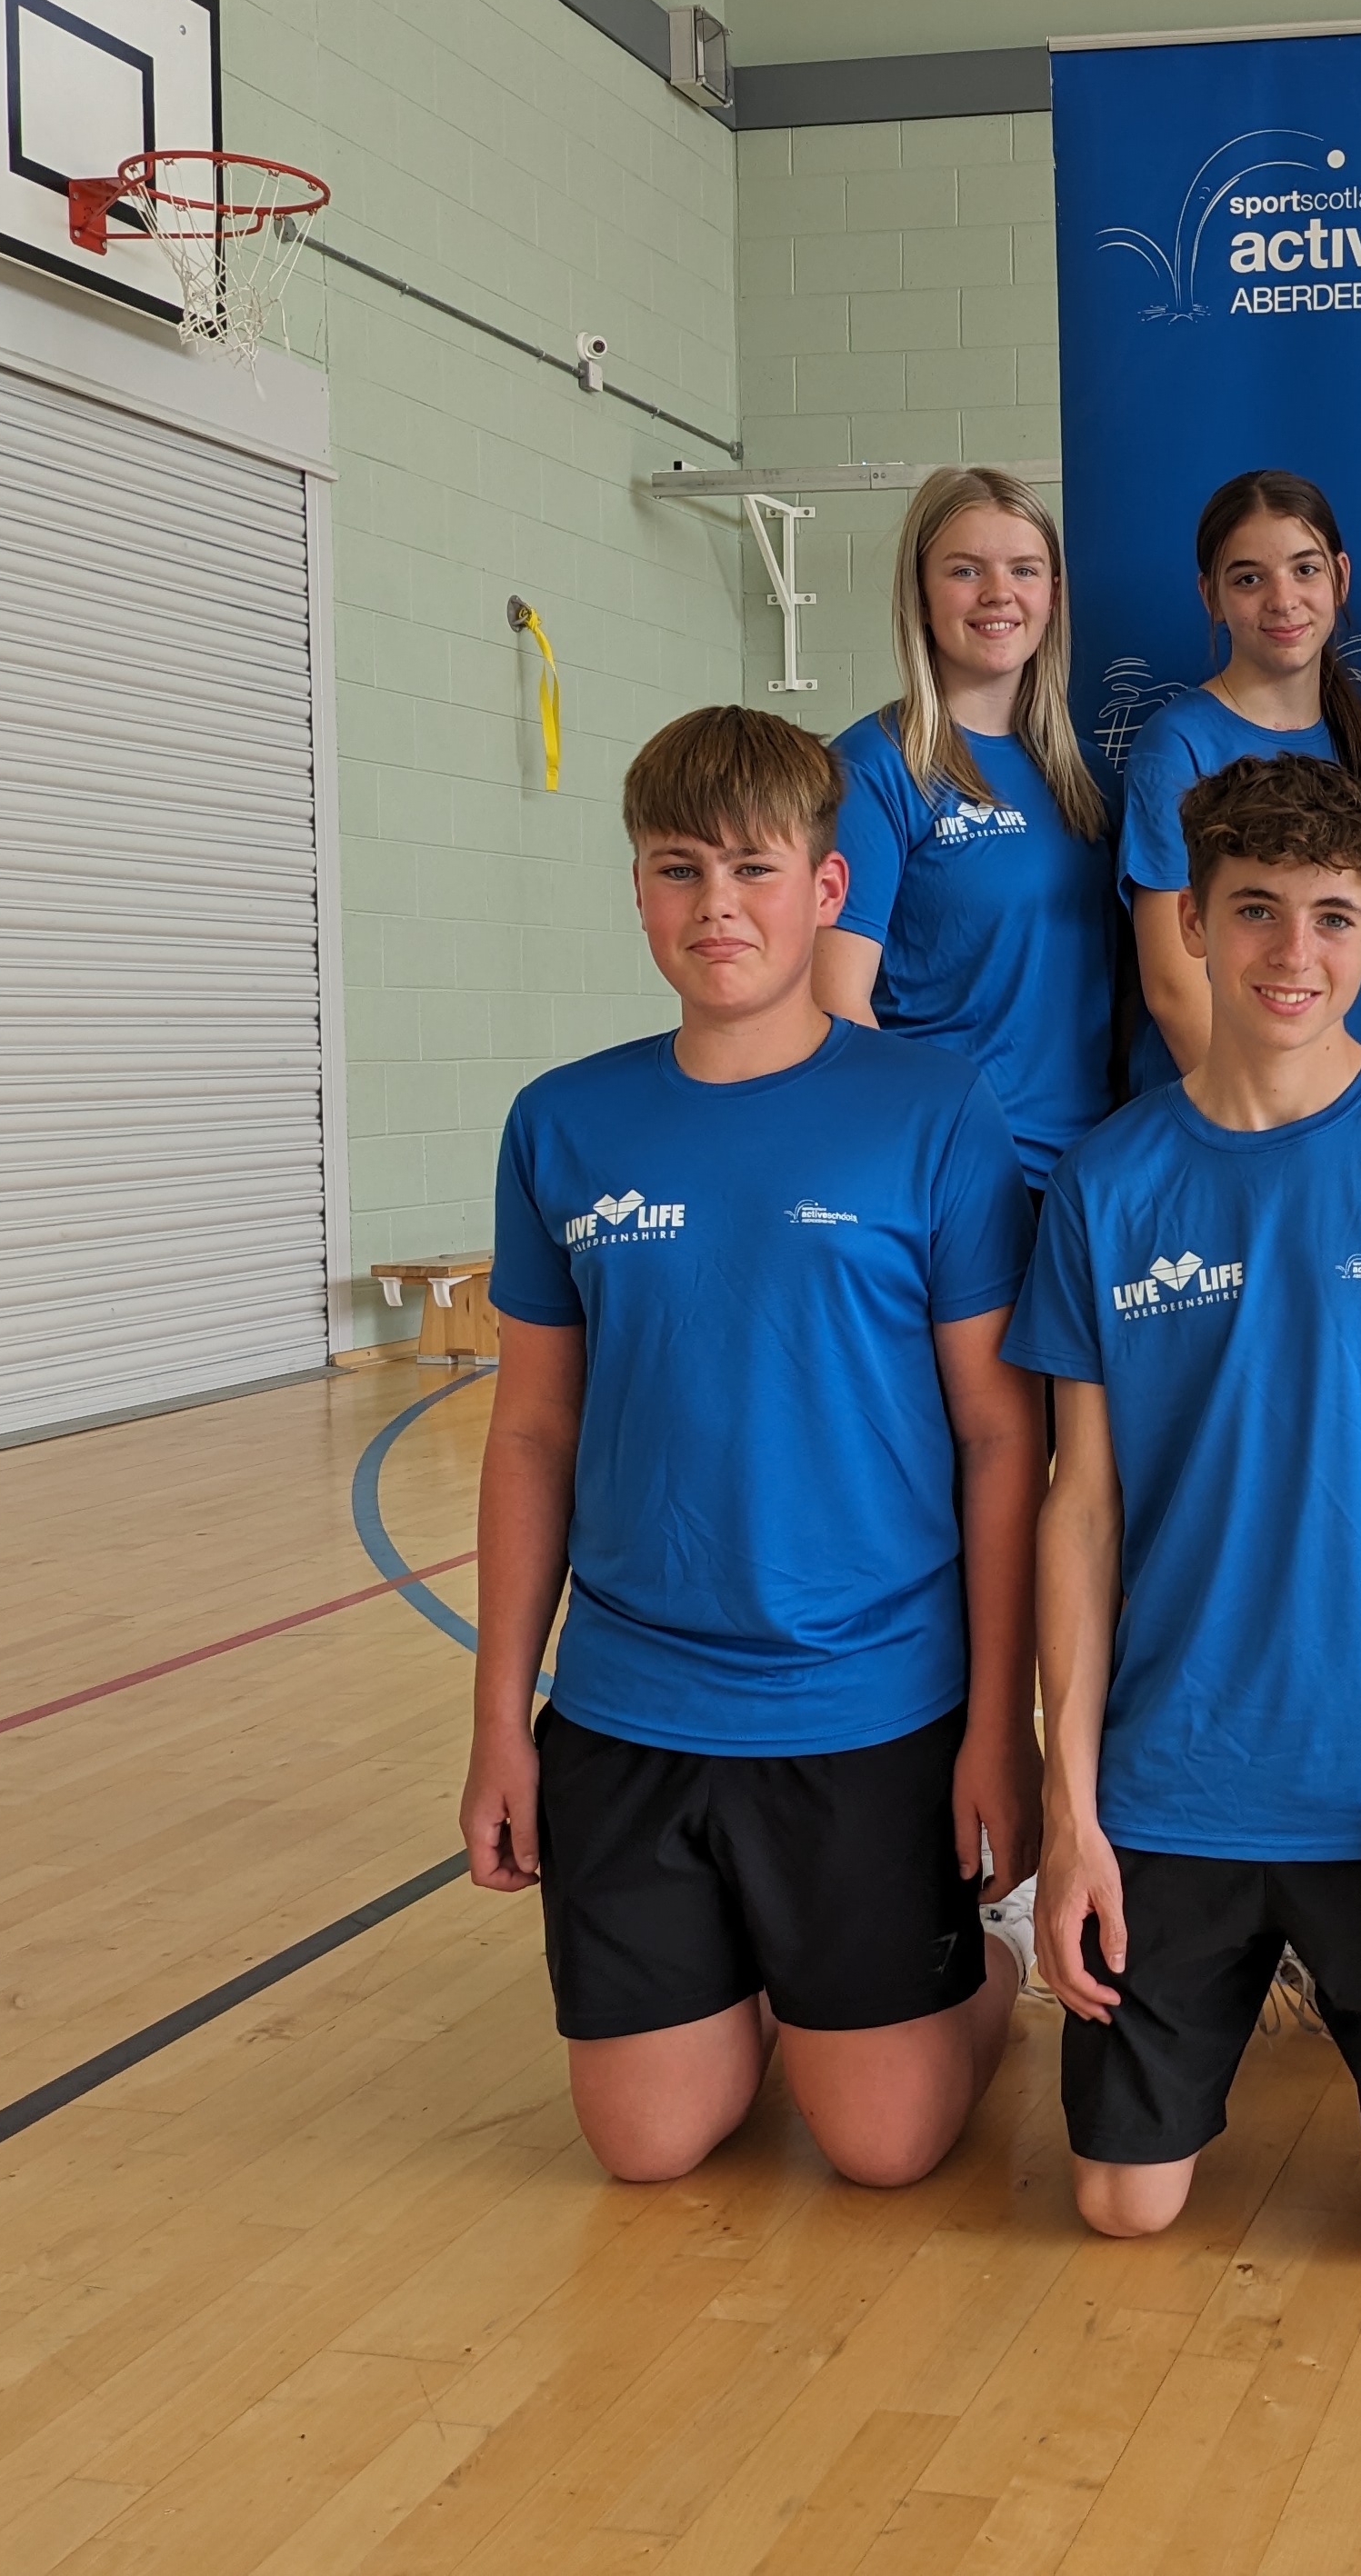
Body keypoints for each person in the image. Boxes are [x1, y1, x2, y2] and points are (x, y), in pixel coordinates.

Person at [462, 706, 1046, 2189]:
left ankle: (946, 1985)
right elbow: (530, 1430)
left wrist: (998, 1723)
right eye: (677, 869)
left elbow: (997, 1430)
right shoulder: (563, 1123)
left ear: (827, 889)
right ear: (640, 891)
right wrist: (496, 1722)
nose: (716, 905)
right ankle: (774, 1986)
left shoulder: (934, 1110)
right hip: (631, 1706)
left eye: (753, 868)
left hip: (868, 1706)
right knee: (650, 2144)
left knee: (885, 2144)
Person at [1011, 752, 1361, 2260]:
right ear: (1191, 922)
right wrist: (1069, 1805)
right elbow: (1078, 1504)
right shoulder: (1108, 1180)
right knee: (1121, 2203)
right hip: (1175, 1776)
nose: (1293, 952)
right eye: (1254, 910)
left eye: (1333, 916)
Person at [815, 466, 1119, 1189]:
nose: (998, 594)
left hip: (1091, 1178)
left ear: (1053, 596)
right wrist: (931, 1163)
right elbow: (837, 1002)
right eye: (964, 570)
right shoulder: (873, 769)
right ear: (920, 596)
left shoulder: (1089, 776)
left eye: (1024, 569)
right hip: (955, 1180)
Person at [1118, 470, 1361, 1086]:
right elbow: (1171, 986)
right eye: (1248, 579)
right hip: (1229, 1130)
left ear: (1340, 578)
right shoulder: (1177, 747)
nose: (1282, 599)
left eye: (1305, 569)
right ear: (1210, 596)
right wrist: (1278, 1136)